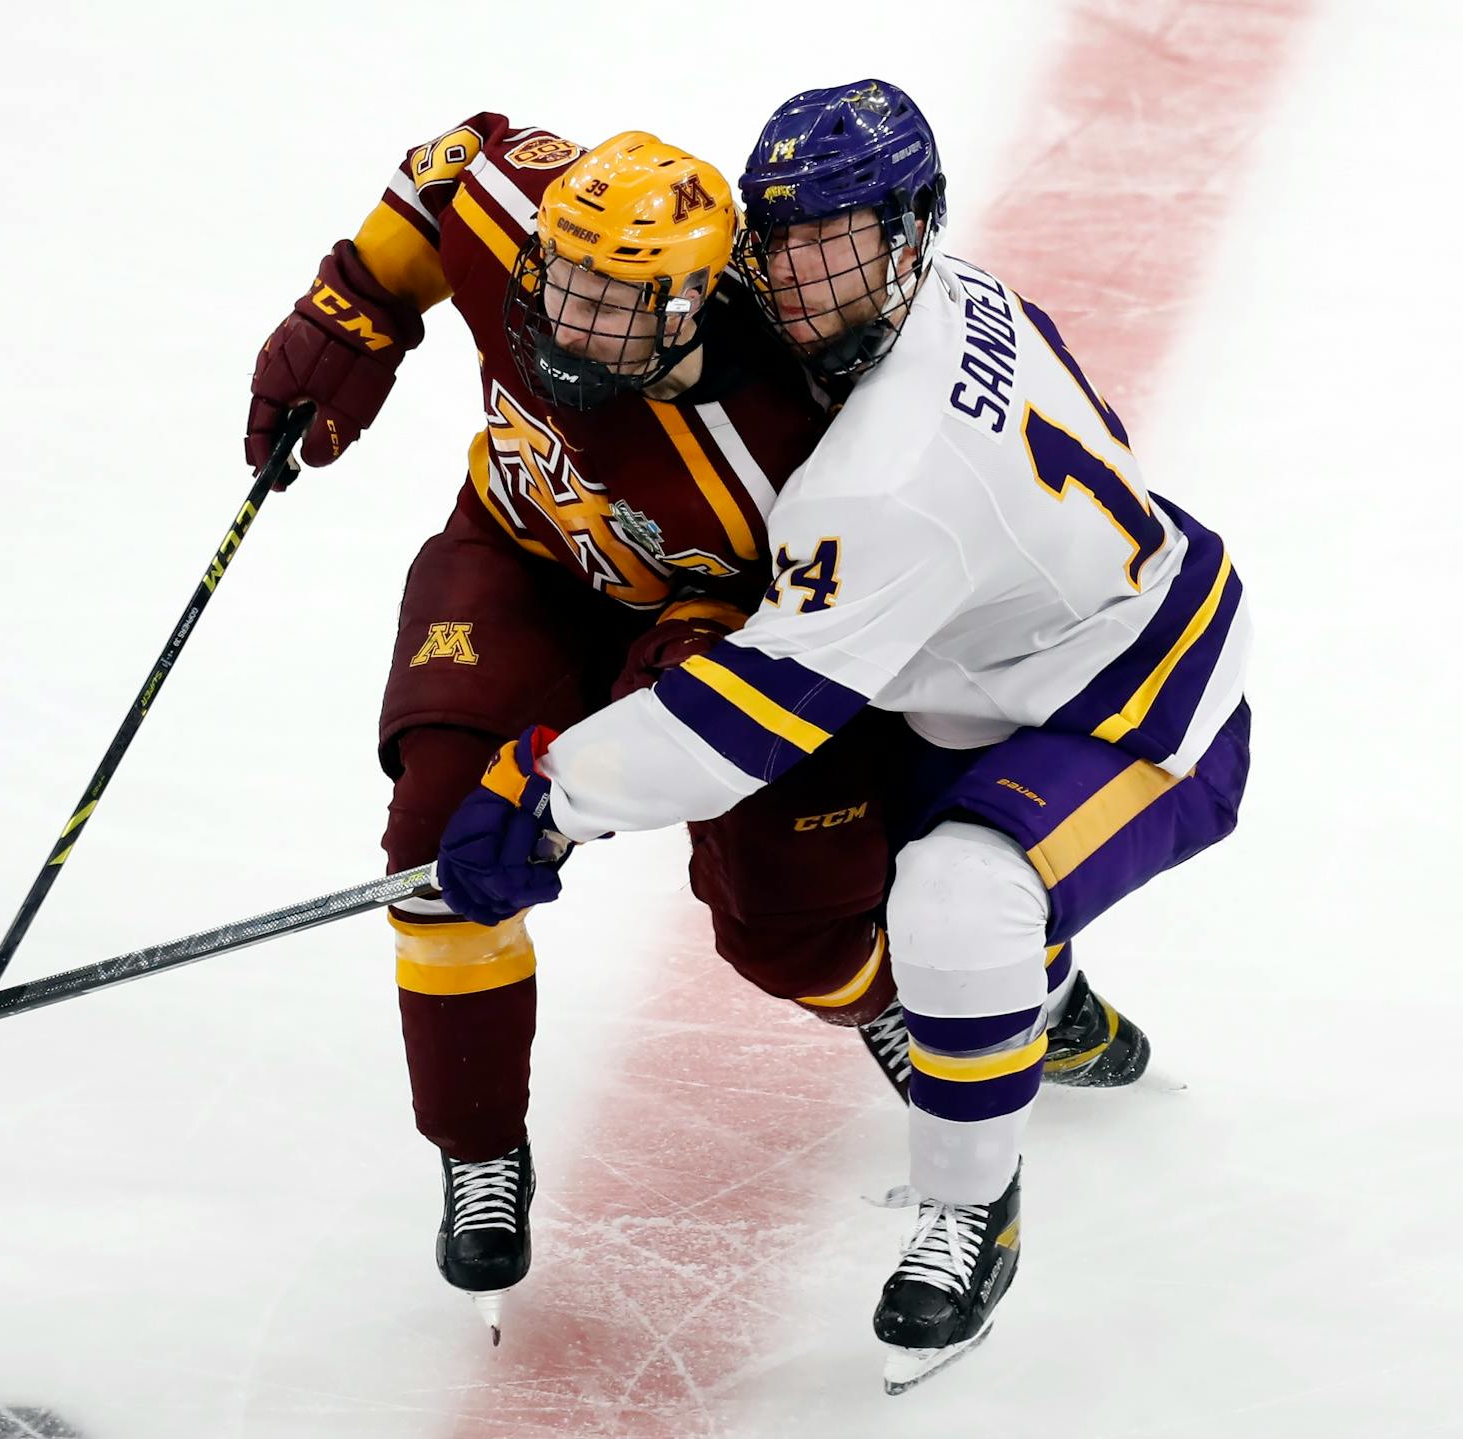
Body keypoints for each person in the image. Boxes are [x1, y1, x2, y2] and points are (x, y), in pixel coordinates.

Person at [430, 80, 1251, 1392]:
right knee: (841, 896)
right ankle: (1040, 1002)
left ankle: (974, 1207)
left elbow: (751, 718)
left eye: (842, 244)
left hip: (1132, 699)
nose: (804, 279)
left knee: (960, 892)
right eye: (786, 238)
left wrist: (550, 789)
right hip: (975, 663)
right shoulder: (936, 293)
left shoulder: (887, 478)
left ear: (912, 233)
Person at [242, 120, 904, 1340]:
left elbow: (777, 629)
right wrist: (348, 318)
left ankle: (888, 996)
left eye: (611, 302)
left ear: (694, 307)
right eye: (563, 279)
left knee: (792, 917)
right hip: (514, 555)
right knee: (435, 852)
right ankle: (480, 1145)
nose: (564, 317)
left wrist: (610, 733)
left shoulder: (780, 447)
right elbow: (448, 169)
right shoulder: (519, 214)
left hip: (690, 641)